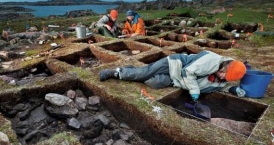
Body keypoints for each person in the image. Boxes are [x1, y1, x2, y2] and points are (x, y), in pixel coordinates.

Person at [99, 50, 247, 101]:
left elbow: (222, 87)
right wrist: (195, 91)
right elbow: (187, 71)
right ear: (226, 66)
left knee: (153, 83)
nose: (222, 78)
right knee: (145, 73)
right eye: (223, 75)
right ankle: (116, 73)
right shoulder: (211, 60)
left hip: (175, 80)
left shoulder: (222, 78)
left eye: (225, 78)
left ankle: (133, 71)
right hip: (174, 65)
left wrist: (233, 90)